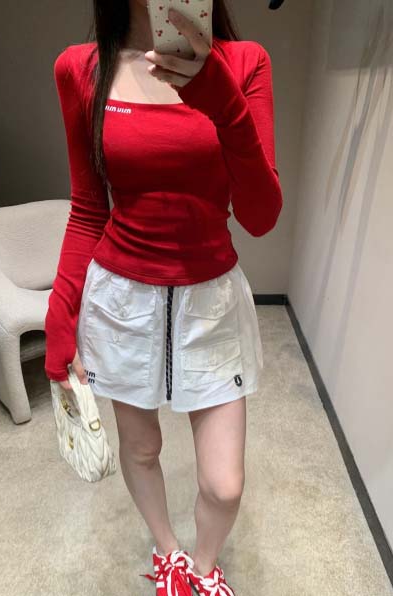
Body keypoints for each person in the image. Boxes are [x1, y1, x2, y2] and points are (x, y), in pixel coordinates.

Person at [44, 0, 283, 594]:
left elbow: (260, 217)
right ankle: (170, 554)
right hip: (120, 300)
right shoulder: (81, 68)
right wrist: (60, 318)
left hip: (211, 300)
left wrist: (221, 100)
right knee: (142, 447)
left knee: (224, 484)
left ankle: (204, 566)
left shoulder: (244, 63)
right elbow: (88, 210)